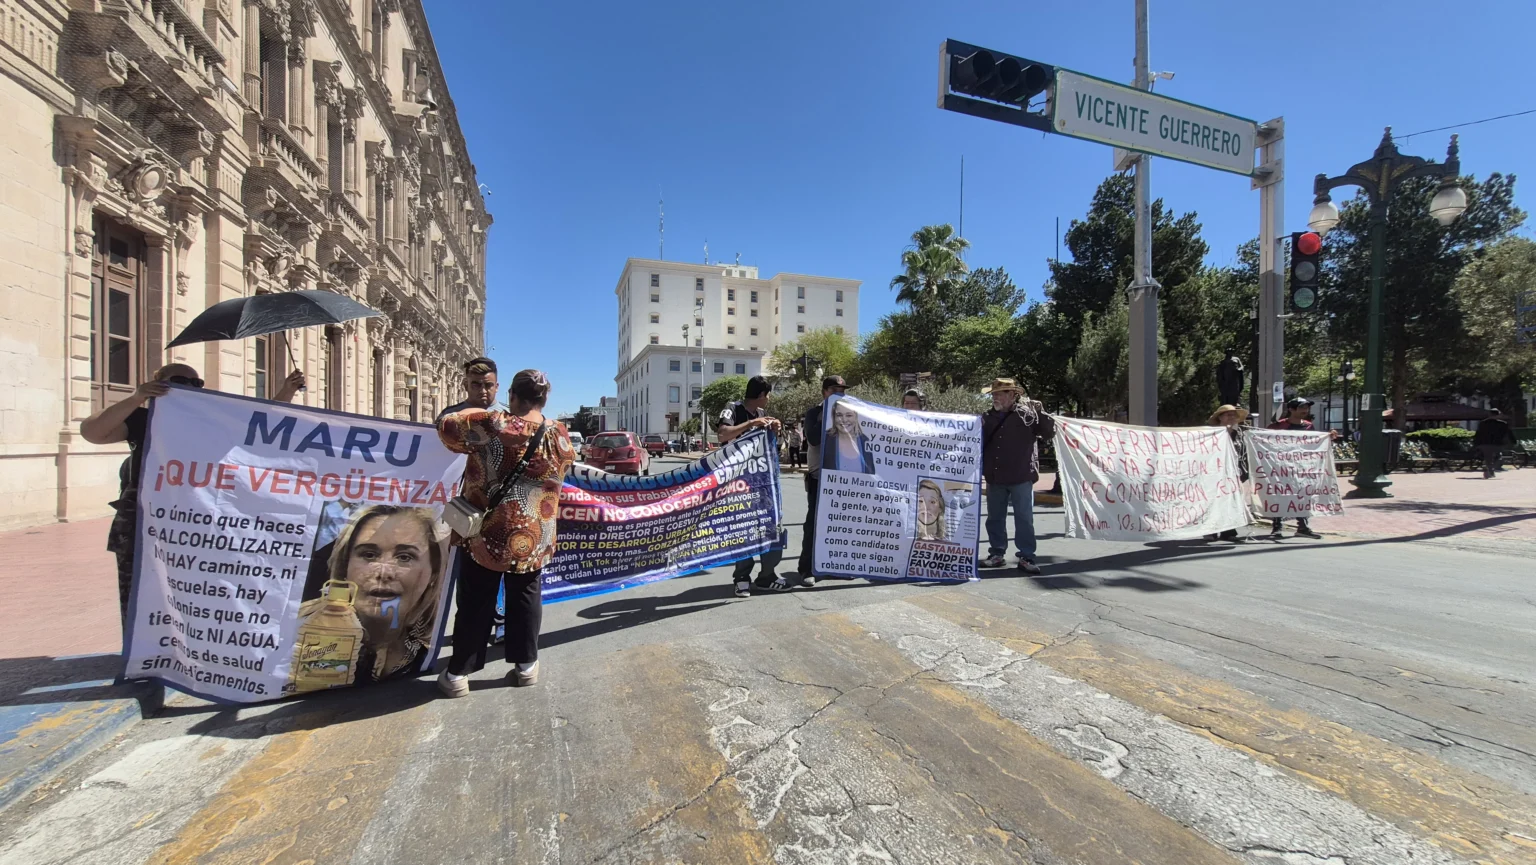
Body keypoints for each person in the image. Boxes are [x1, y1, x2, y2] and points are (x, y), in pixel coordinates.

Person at [80, 362, 303, 623]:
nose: (189, 388)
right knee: (142, 594)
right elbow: (93, 432)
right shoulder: (144, 419)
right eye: (179, 381)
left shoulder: (210, 422)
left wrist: (286, 391)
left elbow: (257, 425)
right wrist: (137, 397)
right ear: (158, 382)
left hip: (193, 525)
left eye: (196, 383)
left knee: (193, 593)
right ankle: (144, 655)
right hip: (146, 524)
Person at [436, 369, 576, 697]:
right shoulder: (560, 434)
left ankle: (458, 674)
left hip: (486, 533)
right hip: (535, 535)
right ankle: (526, 666)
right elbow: (565, 465)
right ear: (544, 399)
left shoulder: (494, 424)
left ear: (511, 394)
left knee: (475, 600)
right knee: (526, 595)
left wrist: (472, 407)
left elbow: (446, 429)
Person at [298, 505, 444, 682]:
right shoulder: (297, 635)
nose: (384, 572)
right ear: (345, 567)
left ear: (432, 573)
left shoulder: (420, 653)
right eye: (369, 555)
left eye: (405, 557)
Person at [716, 375, 788, 596]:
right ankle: (742, 577)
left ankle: (767, 575)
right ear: (760, 395)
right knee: (743, 528)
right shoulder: (733, 409)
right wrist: (750, 424)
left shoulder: (762, 415)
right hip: (738, 483)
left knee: (771, 526)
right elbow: (722, 434)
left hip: (762, 483)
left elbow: (768, 448)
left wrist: (774, 429)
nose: (768, 399)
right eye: (768, 395)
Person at [979, 378, 1055, 574]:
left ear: (1013, 395)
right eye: (994, 393)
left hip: (1021, 475)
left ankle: (1027, 557)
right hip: (995, 476)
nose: (995, 397)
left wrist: (1041, 411)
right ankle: (997, 554)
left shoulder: (1027, 415)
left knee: (1024, 519)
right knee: (995, 518)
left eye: (1000, 393)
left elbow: (1048, 432)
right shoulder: (986, 418)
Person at [794, 375, 847, 587]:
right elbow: (814, 438)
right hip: (819, 478)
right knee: (813, 524)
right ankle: (807, 568)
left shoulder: (849, 414)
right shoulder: (814, 413)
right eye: (835, 390)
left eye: (843, 390)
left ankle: (831, 565)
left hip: (841, 480)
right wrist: (827, 412)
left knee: (837, 525)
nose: (840, 394)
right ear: (824, 392)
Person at [1265, 398, 1323, 539]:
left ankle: (1302, 527)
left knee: (1303, 496)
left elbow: (1314, 444)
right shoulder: (1277, 426)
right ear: (1291, 409)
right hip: (1281, 468)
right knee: (1280, 496)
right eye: (1301, 407)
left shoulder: (1309, 426)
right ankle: (1277, 527)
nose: (1305, 410)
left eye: (1307, 408)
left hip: (1303, 468)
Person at [1205, 404, 1250, 542]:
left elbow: (1244, 451)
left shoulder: (1241, 433)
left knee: (1231, 501)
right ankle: (1211, 530)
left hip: (1235, 472)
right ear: (1220, 417)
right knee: (1213, 501)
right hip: (1214, 472)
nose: (1231, 417)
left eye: (1234, 415)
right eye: (1228, 414)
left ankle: (1229, 531)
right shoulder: (1210, 433)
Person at [436, 357, 507, 420]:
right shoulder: (447, 417)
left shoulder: (510, 416)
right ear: (466, 386)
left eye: (488, 385)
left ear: (496, 387)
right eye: (476, 385)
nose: (483, 391)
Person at [822, 401, 876, 474]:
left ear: (856, 417)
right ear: (833, 417)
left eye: (849, 415)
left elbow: (871, 473)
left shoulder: (865, 441)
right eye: (839, 415)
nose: (844, 420)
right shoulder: (825, 438)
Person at [1473, 409, 1515, 479]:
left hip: (1484, 443)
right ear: (1498, 415)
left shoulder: (1482, 423)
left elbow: (1478, 434)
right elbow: (1509, 433)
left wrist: (1476, 443)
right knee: (1499, 457)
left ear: (1489, 414)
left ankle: (1490, 471)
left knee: (1488, 459)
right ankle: (1490, 470)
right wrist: (1513, 441)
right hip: (1497, 443)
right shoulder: (1503, 424)